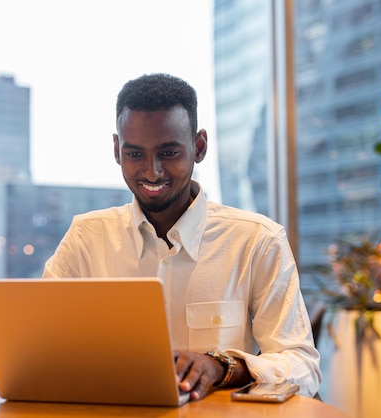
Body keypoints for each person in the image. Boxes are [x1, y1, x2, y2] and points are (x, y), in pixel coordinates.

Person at [42, 73, 321, 400]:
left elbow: (303, 366)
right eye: (135, 154)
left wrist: (221, 366)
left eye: (169, 153)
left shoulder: (258, 240)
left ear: (198, 146)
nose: (152, 171)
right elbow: (41, 346)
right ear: (117, 150)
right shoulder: (85, 238)